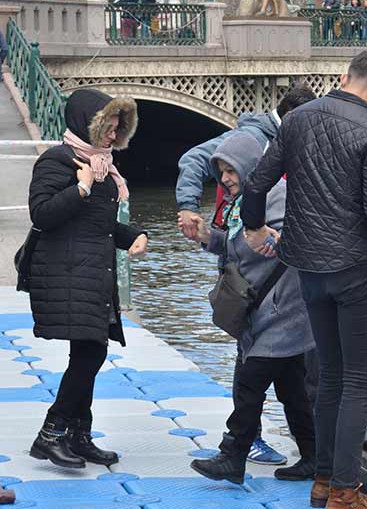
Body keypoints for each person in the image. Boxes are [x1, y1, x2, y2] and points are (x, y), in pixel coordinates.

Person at [240, 50, 367, 509]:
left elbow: (255, 183)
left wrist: (254, 226)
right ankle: (344, 491)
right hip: (352, 268)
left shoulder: (297, 120)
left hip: (307, 268)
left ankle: (323, 481)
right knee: (357, 379)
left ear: (343, 77)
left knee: (331, 374)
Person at [176, 86, 318, 466]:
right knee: (292, 392)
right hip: (267, 311)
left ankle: (233, 457)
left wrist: (277, 240)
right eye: (220, 171)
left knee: (251, 385)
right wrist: (207, 236)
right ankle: (313, 458)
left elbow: (293, 243)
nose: (223, 179)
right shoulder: (247, 202)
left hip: (279, 310)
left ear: (250, 166)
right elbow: (237, 245)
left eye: (229, 170)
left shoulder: (278, 195)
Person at [27, 88, 147, 469]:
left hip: (92, 273)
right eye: (108, 128)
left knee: (87, 352)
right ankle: (52, 432)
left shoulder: (102, 166)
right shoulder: (58, 162)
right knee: (91, 352)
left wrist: (133, 235)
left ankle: (79, 435)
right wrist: (80, 187)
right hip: (66, 274)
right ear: (88, 124)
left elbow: (100, 224)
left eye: (117, 128)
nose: (113, 136)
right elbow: (41, 214)